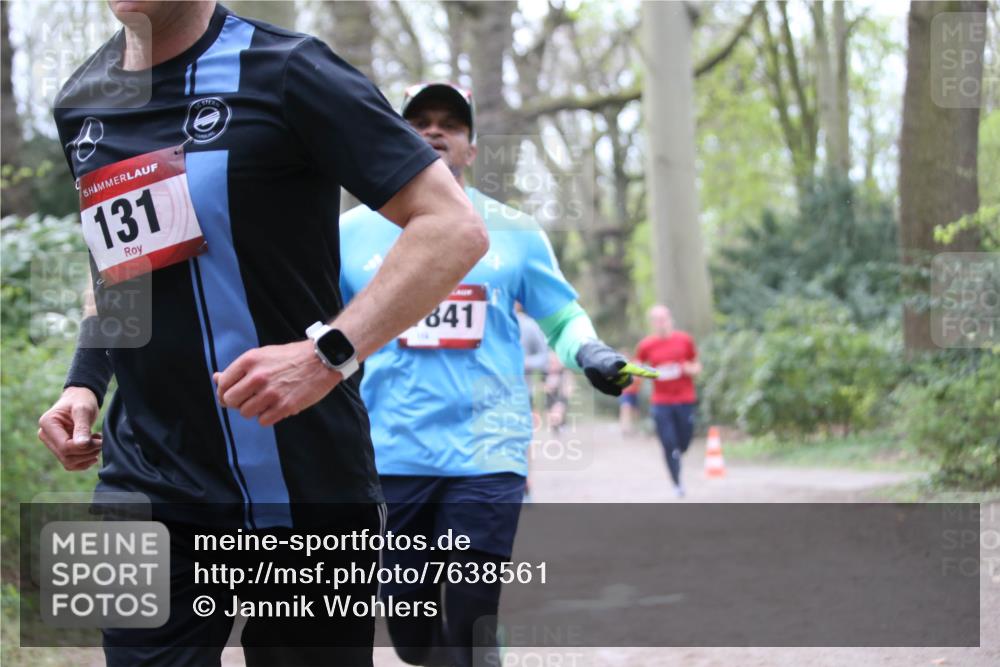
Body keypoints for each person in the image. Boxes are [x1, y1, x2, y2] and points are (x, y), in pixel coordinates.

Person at [37, 3, 487, 665]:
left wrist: (330, 352)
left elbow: (452, 226)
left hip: (305, 482)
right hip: (145, 484)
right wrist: (83, 379)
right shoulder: (84, 102)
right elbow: (120, 264)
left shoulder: (289, 72)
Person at [339, 81, 635, 667]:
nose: (434, 131)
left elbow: (562, 318)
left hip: (488, 453)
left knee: (471, 618)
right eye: (419, 121)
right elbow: (316, 332)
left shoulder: (515, 232)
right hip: (391, 455)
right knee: (411, 632)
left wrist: (592, 352)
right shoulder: (351, 235)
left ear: (471, 148)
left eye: (451, 123)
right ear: (396, 136)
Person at [631, 305, 701, 497]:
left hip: (685, 398)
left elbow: (696, 366)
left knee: (684, 442)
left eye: (663, 319)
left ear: (670, 319)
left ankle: (681, 451)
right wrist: (640, 372)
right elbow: (637, 366)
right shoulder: (646, 345)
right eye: (656, 320)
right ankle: (677, 483)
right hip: (661, 401)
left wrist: (689, 369)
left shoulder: (684, 340)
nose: (660, 323)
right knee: (668, 443)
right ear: (652, 323)